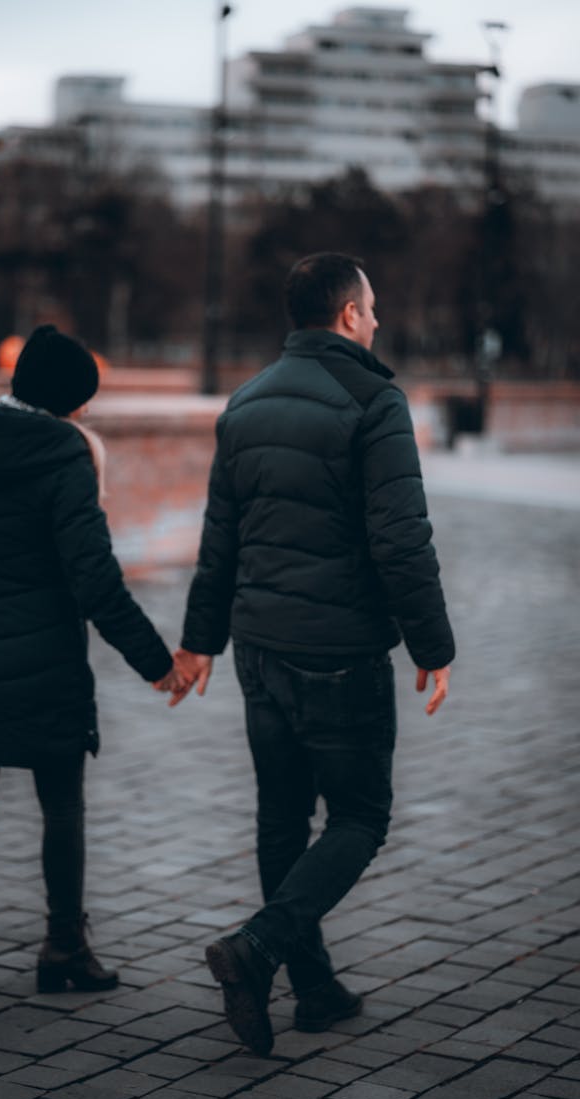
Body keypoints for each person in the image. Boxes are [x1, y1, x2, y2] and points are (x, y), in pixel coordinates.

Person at [174, 252, 455, 1055]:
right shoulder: (375, 399)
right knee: (361, 816)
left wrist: (201, 642)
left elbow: (217, 542)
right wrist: (433, 647)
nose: (377, 319)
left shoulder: (245, 401)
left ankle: (315, 989)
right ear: (344, 317)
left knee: (281, 817)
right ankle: (259, 947)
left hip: (260, 652)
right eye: (371, 307)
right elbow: (401, 541)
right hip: (339, 652)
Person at [0, 324, 184, 1024]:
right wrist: (157, 663)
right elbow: (96, 583)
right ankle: (62, 949)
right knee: (62, 804)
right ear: (66, 404)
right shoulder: (64, 462)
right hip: (43, 663)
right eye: (81, 404)